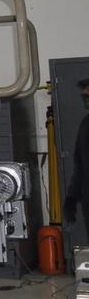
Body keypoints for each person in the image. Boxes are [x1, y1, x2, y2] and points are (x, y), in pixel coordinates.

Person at [63, 78, 89, 240]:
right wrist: (71, 197)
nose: (85, 96)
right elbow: (80, 164)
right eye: (84, 96)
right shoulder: (86, 124)